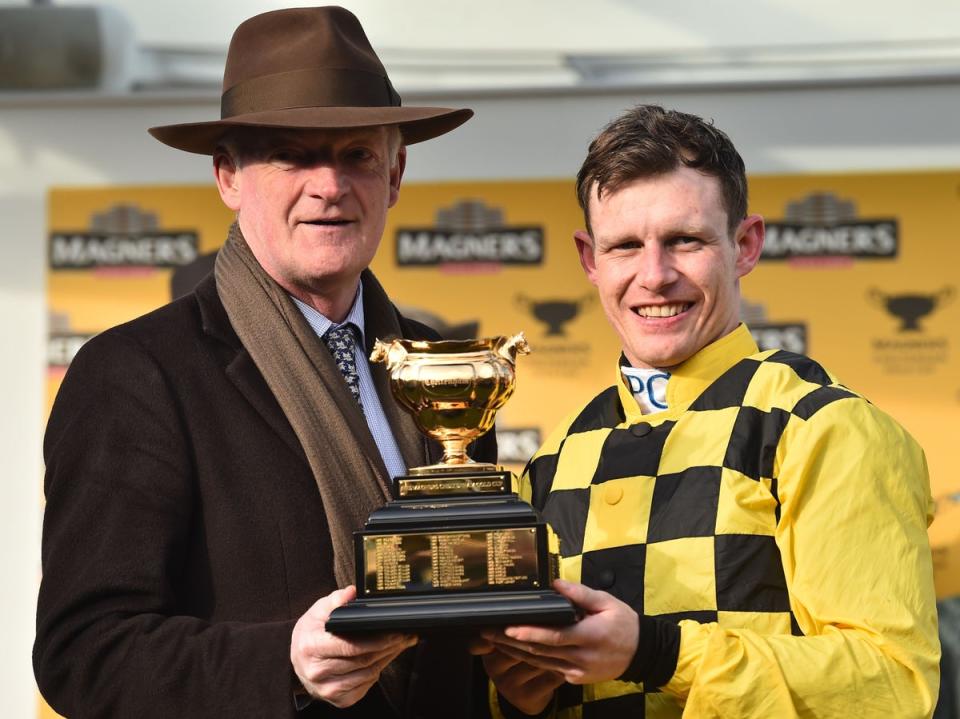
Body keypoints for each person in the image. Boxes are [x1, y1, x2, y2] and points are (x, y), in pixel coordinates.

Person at [33, 7, 494, 718]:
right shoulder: (135, 374)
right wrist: (284, 664)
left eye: (355, 155)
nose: (329, 185)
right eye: (293, 154)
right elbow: (83, 653)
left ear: (395, 173)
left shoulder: (446, 373)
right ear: (227, 175)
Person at [474, 105, 941, 717]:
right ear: (590, 261)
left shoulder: (823, 427)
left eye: (684, 241)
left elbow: (893, 685)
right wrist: (514, 690)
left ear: (744, 245)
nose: (655, 275)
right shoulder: (554, 457)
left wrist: (660, 654)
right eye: (624, 247)